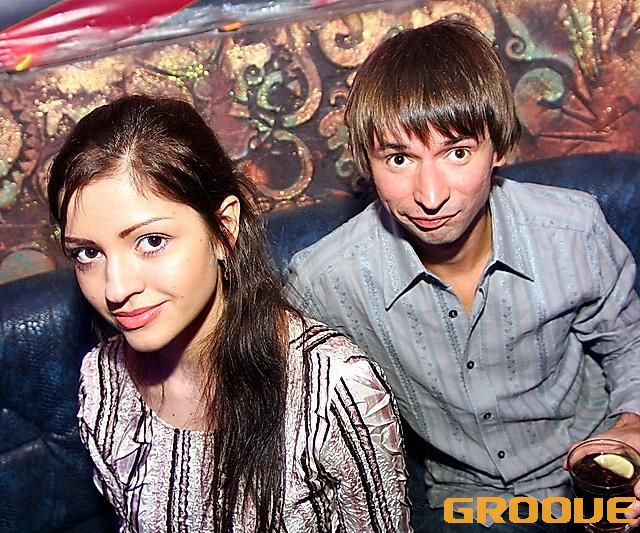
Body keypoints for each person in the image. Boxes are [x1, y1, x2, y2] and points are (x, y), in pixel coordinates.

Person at [285, 19, 640, 532]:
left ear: (500, 148)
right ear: (367, 163)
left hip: (592, 464)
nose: (430, 196)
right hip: (464, 500)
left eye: (457, 153)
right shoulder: (323, 283)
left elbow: (630, 344)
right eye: (399, 158)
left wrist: (637, 425)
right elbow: (295, 422)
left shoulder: (572, 230)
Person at [47, 95, 411, 532]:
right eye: (88, 253)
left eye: (152, 241)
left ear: (224, 229)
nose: (116, 288)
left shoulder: (333, 387)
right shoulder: (104, 381)